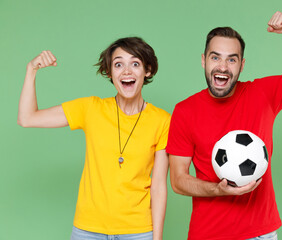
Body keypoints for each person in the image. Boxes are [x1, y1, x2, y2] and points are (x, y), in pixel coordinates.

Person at [166, 11, 282, 240]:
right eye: (215, 57)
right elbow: (178, 181)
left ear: (242, 64)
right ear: (203, 60)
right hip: (208, 234)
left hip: (260, 234)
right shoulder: (185, 111)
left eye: (232, 59)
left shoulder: (262, 94)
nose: (223, 66)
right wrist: (216, 190)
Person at [18, 37, 170, 240]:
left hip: (138, 231)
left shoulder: (162, 120)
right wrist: (31, 70)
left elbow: (159, 186)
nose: (126, 71)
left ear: (147, 70)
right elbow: (27, 118)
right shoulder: (91, 108)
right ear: (109, 72)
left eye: (135, 63)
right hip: (87, 231)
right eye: (118, 64)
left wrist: (157, 238)